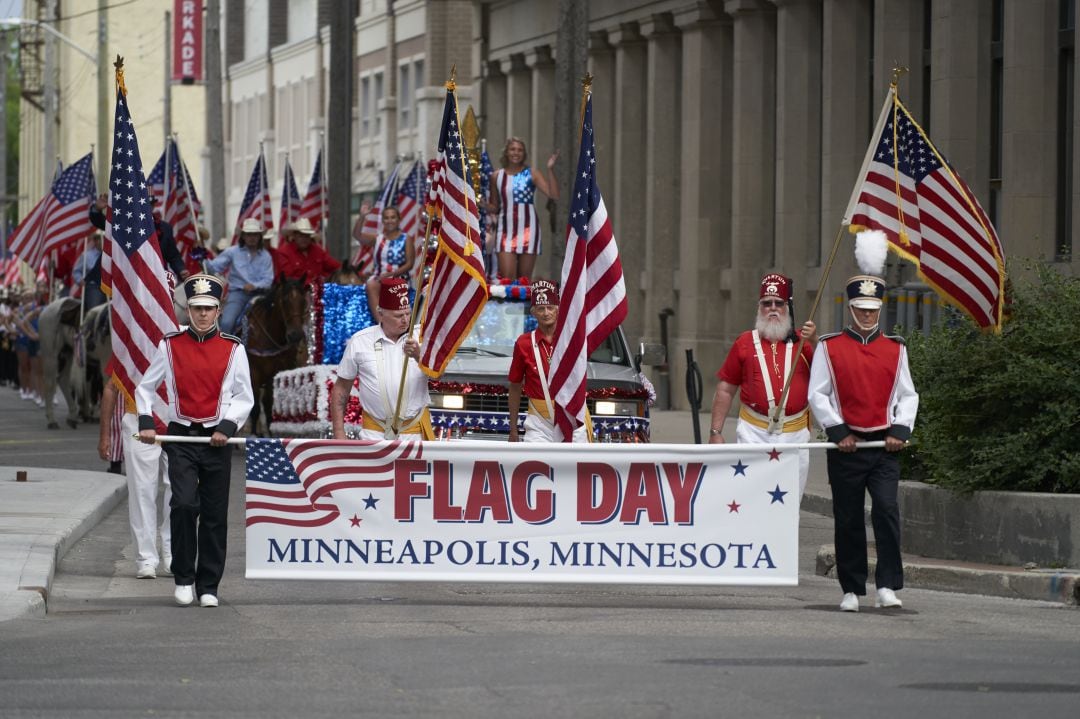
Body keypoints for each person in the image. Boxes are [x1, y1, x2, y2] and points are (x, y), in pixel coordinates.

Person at [136, 273, 254, 608]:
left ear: (218, 311)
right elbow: (145, 388)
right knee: (184, 504)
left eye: (209, 308)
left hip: (217, 439)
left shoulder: (233, 348)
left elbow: (245, 396)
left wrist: (227, 428)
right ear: (187, 310)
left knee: (216, 514)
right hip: (181, 436)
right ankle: (184, 577)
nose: (203, 314)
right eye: (197, 307)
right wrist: (147, 422)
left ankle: (209, 586)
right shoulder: (169, 344)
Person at [808, 273, 919, 613]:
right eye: (861, 309)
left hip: (884, 447)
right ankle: (851, 589)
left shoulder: (895, 348)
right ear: (851, 308)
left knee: (886, 512)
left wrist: (900, 430)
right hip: (847, 446)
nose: (867, 316)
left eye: (872, 310)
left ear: (880, 310)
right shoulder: (829, 346)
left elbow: (908, 394)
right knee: (848, 518)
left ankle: (887, 585)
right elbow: (818, 394)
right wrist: (838, 431)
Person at [709, 273, 817, 497]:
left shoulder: (804, 344)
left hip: (794, 434)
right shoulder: (744, 342)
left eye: (779, 303)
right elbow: (726, 389)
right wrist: (715, 432)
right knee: (750, 497)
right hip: (753, 433)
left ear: (788, 307)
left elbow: (828, 374)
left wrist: (815, 340)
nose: (773, 308)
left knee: (790, 500)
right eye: (767, 304)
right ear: (759, 308)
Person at [330, 278, 431, 440]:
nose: (405, 320)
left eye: (407, 314)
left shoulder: (422, 337)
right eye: (398, 316)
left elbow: (439, 375)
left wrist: (419, 356)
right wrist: (339, 433)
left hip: (414, 434)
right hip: (374, 434)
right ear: (381, 314)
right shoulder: (360, 340)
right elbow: (341, 388)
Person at [100, 378, 173, 578]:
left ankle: (174, 553)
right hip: (139, 418)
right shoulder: (133, 344)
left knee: (180, 490)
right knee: (142, 491)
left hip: (178, 418)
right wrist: (105, 435)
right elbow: (111, 387)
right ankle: (146, 558)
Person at [507, 279, 589, 442]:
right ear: (533, 312)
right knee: (534, 464)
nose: (546, 313)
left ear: (558, 310)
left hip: (572, 417)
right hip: (539, 422)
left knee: (575, 465)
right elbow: (515, 386)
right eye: (541, 308)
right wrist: (513, 429)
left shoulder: (572, 338)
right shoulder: (523, 343)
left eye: (550, 308)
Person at [488, 138, 559, 281]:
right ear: (506, 152)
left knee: (524, 280)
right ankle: (507, 304)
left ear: (524, 154)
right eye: (513, 149)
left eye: (520, 150)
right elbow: (494, 207)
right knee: (507, 278)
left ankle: (524, 304)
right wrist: (482, 204)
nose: (516, 153)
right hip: (505, 230)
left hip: (528, 229)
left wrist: (550, 169)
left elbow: (554, 195)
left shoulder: (532, 173)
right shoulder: (496, 176)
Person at [89, 193, 188, 281]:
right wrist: (97, 209)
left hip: (149, 280)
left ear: (153, 206)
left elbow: (173, 255)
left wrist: (181, 270)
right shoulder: (124, 223)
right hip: (112, 278)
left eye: (148, 205)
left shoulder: (164, 228)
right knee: (95, 301)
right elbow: (101, 221)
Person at [206, 218, 274, 334]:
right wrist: (202, 256)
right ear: (243, 236)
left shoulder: (266, 256)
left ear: (259, 237)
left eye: (255, 235)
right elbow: (213, 267)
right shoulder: (232, 252)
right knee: (227, 323)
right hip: (238, 294)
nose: (252, 238)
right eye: (248, 234)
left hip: (261, 295)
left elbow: (268, 279)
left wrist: (255, 286)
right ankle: (225, 349)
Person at [353, 207, 416, 317]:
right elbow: (357, 235)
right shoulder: (378, 238)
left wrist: (390, 275)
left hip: (399, 278)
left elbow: (409, 264)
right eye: (386, 218)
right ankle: (381, 322)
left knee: (389, 287)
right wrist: (362, 216)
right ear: (382, 221)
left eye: (393, 217)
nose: (389, 221)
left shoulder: (406, 239)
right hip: (378, 278)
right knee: (371, 284)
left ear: (399, 219)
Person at [274, 217, 341, 282]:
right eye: (301, 236)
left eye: (307, 236)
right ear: (294, 236)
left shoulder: (317, 251)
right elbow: (287, 278)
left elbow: (336, 266)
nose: (304, 239)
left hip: (317, 289)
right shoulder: (284, 252)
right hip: (295, 290)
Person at [72, 234, 107, 310]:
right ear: (96, 241)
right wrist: (80, 280)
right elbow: (76, 271)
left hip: (110, 287)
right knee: (94, 311)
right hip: (94, 287)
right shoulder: (86, 256)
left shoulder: (111, 255)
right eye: (102, 239)